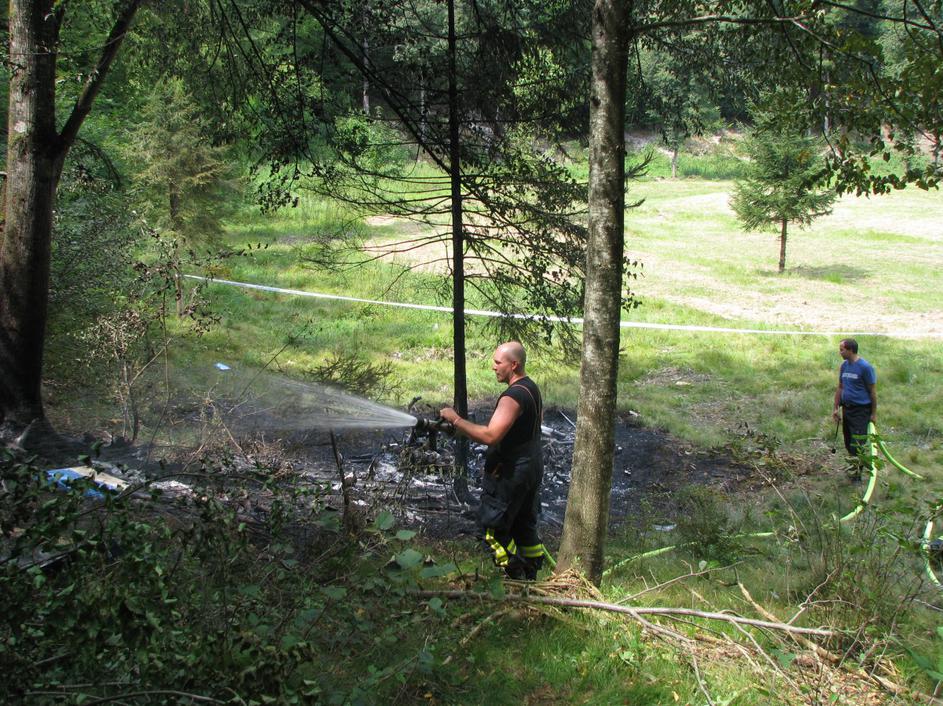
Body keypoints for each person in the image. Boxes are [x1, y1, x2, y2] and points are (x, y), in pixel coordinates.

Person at [440, 341, 546, 580]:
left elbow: (491, 436)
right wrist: (462, 430)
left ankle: (515, 577)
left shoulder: (513, 396)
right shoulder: (531, 389)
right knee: (523, 525)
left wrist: (456, 420)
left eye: (498, 362)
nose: (493, 367)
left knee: (493, 531)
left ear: (514, 364)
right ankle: (531, 578)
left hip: (510, 474)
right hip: (530, 468)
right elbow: (525, 427)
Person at [832, 338, 877, 477]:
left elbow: (872, 392)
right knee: (848, 441)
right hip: (847, 409)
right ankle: (853, 469)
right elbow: (840, 387)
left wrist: (873, 414)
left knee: (857, 443)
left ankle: (856, 475)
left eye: (842, 349)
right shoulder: (844, 366)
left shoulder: (865, 367)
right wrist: (835, 408)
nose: (840, 352)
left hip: (861, 410)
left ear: (850, 350)